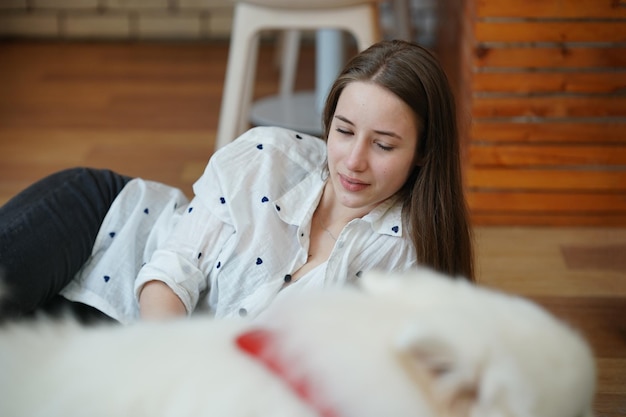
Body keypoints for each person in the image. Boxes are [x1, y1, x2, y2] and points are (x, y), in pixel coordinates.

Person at [0, 40, 474, 324]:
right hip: (104, 225)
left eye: (384, 145)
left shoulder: (410, 263)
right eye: (343, 131)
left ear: (423, 154)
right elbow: (173, 267)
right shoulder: (269, 155)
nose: (352, 161)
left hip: (105, 336)